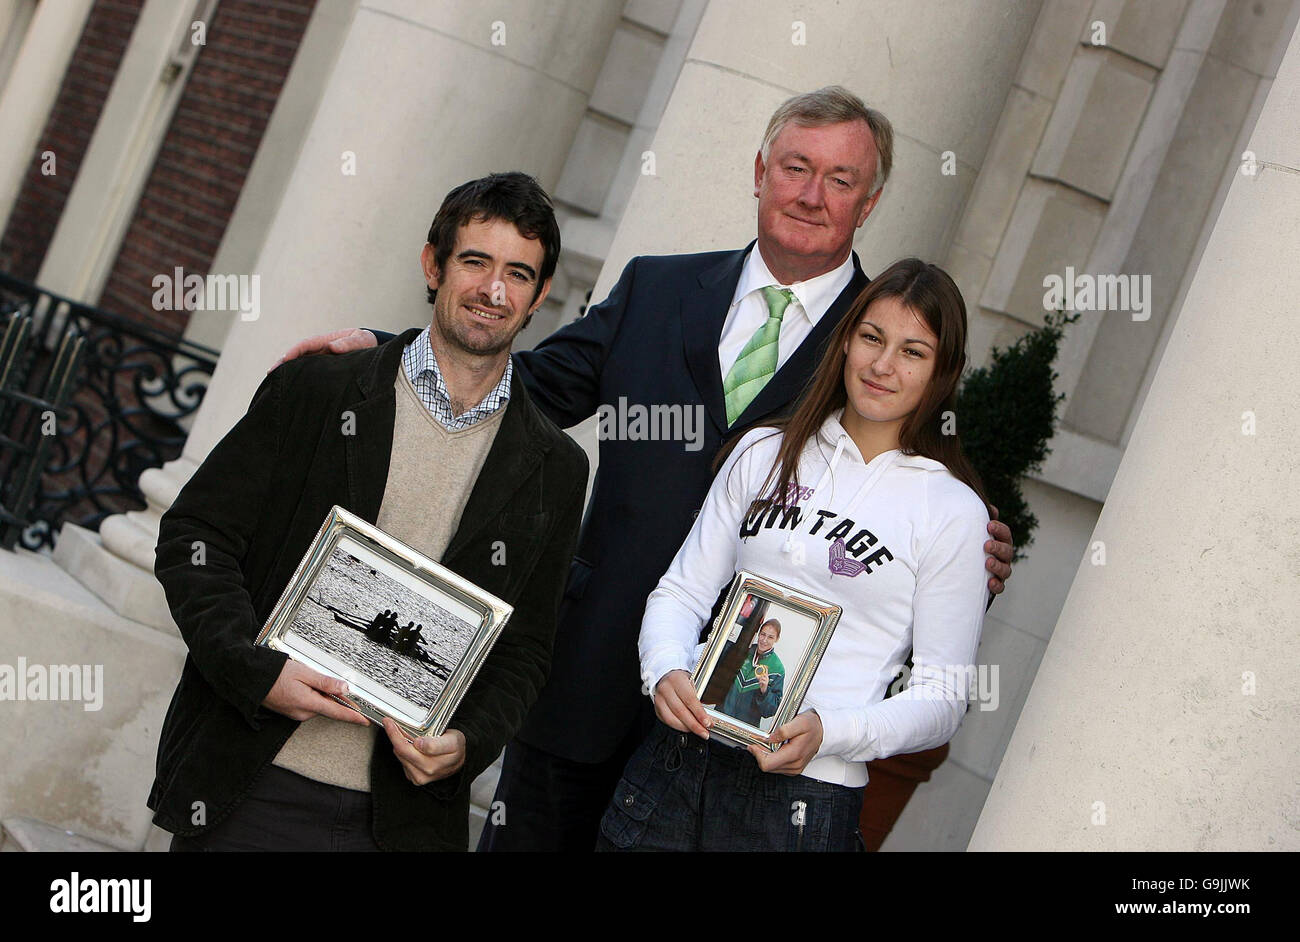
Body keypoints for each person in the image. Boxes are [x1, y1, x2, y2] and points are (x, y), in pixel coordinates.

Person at [273, 87, 1015, 851]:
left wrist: (984, 549)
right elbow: (530, 390)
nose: (811, 194)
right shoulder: (658, 288)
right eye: (796, 167)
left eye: (840, 180)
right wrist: (397, 355)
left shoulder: (881, 339)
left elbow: (921, 508)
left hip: (737, 740)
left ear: (870, 203)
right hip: (589, 672)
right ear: (760, 171)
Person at [149, 172, 588, 852]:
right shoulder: (319, 390)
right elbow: (194, 538)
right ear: (432, 265)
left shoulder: (555, 468)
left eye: (518, 274)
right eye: (474, 262)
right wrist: (254, 668)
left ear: (538, 297)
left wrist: (470, 743)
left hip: (399, 822)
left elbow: (527, 649)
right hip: (251, 781)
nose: (493, 291)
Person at [600, 258, 990, 852]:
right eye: (871, 338)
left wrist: (832, 732)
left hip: (804, 800)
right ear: (846, 340)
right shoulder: (763, 451)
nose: (883, 366)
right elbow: (681, 592)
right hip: (677, 767)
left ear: (944, 370)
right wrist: (665, 669)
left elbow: (942, 695)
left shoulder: (952, 511)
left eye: (913, 352)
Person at [717, 618, 784, 728]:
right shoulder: (742, 651)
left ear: (777, 639)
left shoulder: (777, 669)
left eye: (770, 637)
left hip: (745, 729)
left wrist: (764, 691)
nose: (764, 640)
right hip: (721, 717)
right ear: (758, 634)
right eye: (763, 634)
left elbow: (770, 711)